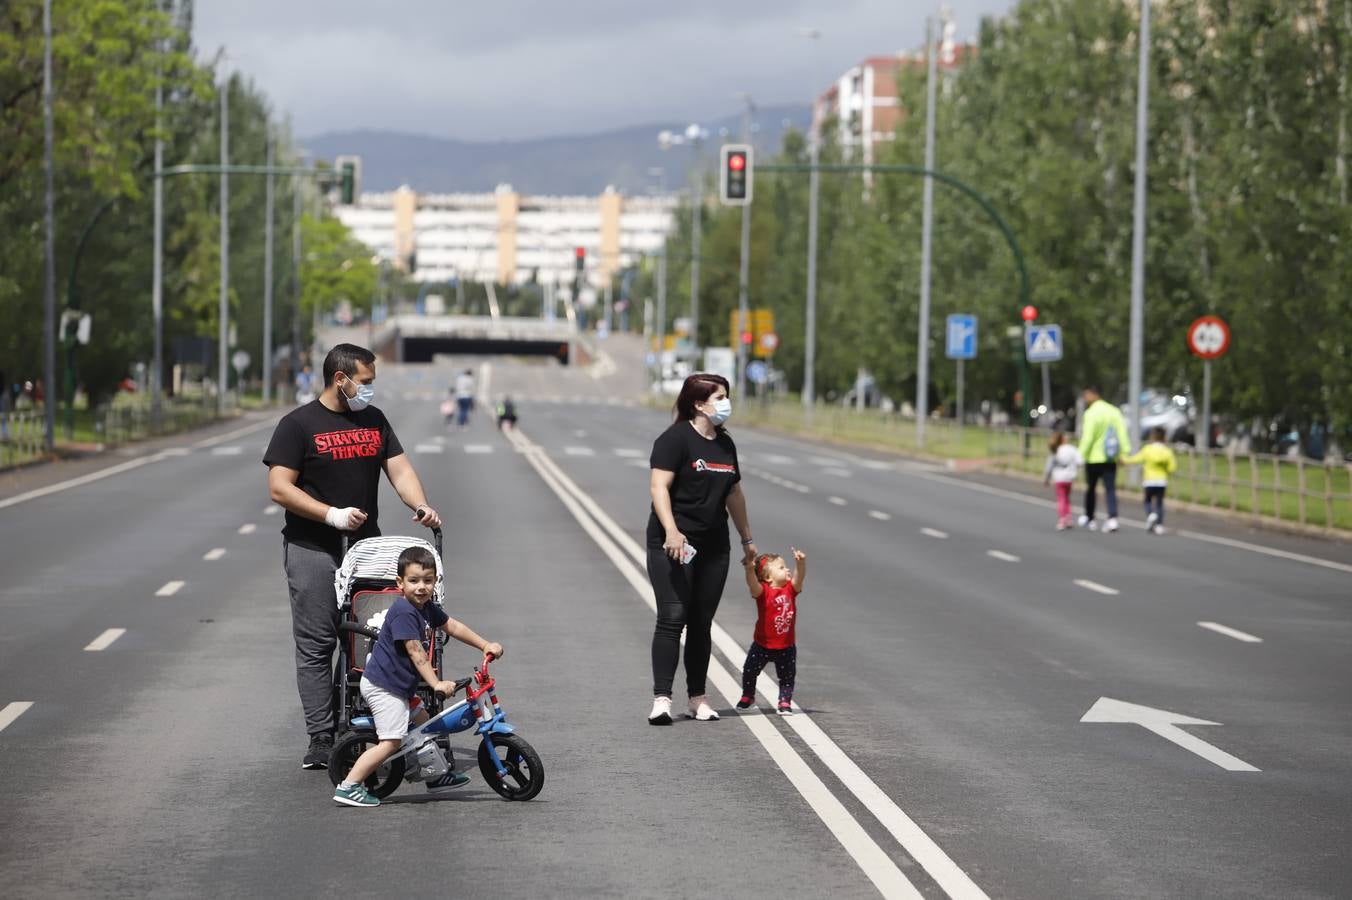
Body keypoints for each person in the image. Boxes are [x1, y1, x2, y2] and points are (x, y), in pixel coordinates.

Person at [263, 343, 444, 770]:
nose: (370, 391)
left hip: (366, 550)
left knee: (370, 638)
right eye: (365, 383)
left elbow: (399, 469)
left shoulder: (373, 420)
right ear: (340, 379)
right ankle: (322, 737)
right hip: (313, 547)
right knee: (318, 643)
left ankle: (365, 720)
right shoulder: (298, 425)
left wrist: (419, 505)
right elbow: (279, 487)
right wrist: (331, 514)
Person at [333, 546, 504, 807]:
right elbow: (415, 652)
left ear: (435, 581)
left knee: (426, 725)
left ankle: (433, 776)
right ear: (400, 583)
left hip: (399, 686)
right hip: (383, 687)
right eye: (414, 581)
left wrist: (484, 644)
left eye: (428, 580)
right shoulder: (403, 612)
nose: (421, 587)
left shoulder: (426, 608)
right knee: (391, 742)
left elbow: (453, 626)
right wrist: (435, 683)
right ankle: (349, 786)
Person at [646, 373, 757, 725]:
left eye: (727, 396)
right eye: (719, 396)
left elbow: (734, 494)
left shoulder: (725, 445)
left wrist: (747, 540)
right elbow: (658, 487)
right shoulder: (674, 440)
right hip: (673, 542)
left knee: (701, 622)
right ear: (698, 403)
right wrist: (672, 531)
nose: (725, 403)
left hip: (713, 546)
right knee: (672, 617)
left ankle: (698, 698)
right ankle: (662, 699)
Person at [736, 547, 806, 716]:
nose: (787, 569)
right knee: (749, 670)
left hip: (786, 646)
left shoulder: (790, 590)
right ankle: (748, 696)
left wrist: (801, 563)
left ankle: (784, 701)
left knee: (787, 677)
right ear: (768, 577)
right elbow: (752, 583)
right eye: (781, 568)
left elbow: (799, 577)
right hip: (762, 644)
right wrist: (749, 569)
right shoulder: (763, 592)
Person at [1077, 386, 1132, 533]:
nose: (1085, 399)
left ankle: (1090, 518)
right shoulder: (1113, 411)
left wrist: (1080, 454)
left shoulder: (1091, 413)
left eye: (1086, 395)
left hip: (1093, 458)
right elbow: (1122, 432)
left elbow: (1088, 436)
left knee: (1091, 488)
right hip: (1110, 457)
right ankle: (1112, 518)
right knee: (1110, 489)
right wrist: (1124, 452)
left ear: (1093, 395)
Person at [1124, 426, 1178, 534]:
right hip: (1161, 481)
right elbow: (1172, 468)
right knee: (1159, 503)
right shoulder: (1167, 451)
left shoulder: (1147, 450)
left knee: (1147, 501)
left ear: (1152, 437)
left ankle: (1151, 514)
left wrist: (1123, 459)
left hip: (1149, 481)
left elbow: (1135, 459)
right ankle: (1159, 525)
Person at [1043, 431, 1084, 531]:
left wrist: (1046, 479)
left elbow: (1049, 466)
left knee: (1061, 498)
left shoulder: (1055, 450)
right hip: (1069, 478)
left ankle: (1062, 519)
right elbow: (1080, 462)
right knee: (1067, 498)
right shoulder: (1072, 449)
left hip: (1059, 478)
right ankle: (1069, 518)